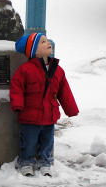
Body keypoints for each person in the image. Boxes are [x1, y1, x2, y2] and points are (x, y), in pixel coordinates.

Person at [10, 33, 79, 177]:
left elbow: (64, 91)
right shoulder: (26, 69)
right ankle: (26, 162)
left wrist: (71, 109)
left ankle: (45, 162)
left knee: (48, 142)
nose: (48, 43)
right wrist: (17, 104)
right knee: (29, 141)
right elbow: (17, 87)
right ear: (34, 51)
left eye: (47, 41)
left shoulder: (57, 70)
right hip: (29, 115)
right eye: (42, 42)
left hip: (49, 114)